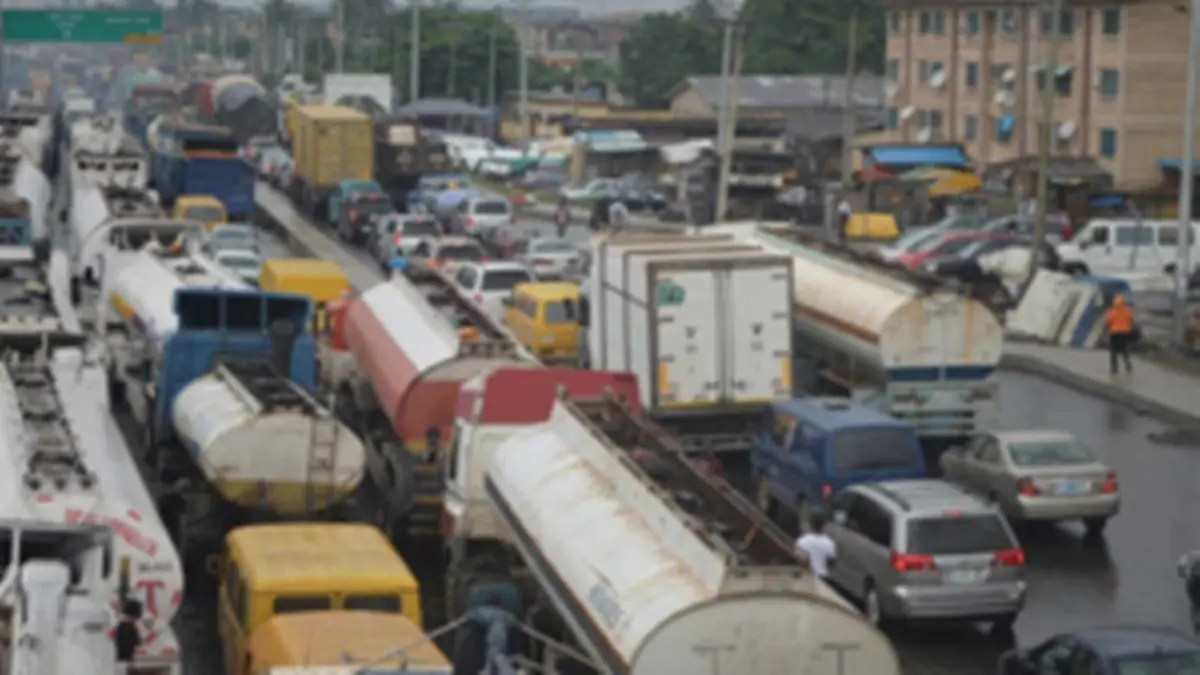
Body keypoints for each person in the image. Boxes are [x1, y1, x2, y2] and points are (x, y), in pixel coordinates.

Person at [794, 512, 837, 580]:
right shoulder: (829, 543)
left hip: (806, 576)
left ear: (810, 524)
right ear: (824, 525)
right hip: (822, 577)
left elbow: (797, 559)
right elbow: (831, 563)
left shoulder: (802, 541)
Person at [1104, 295, 1135, 375]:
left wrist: (1106, 330)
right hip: (1125, 333)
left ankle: (1114, 369)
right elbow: (1131, 320)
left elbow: (1108, 322)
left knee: (1113, 352)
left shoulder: (1111, 312)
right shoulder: (1127, 311)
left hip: (1114, 334)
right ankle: (1128, 365)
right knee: (1124, 350)